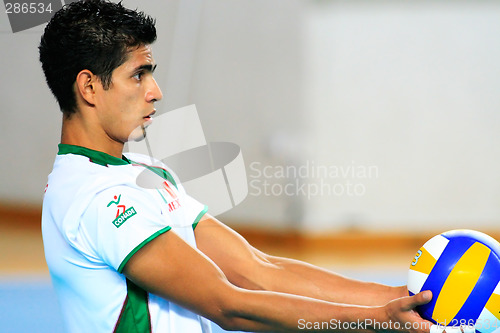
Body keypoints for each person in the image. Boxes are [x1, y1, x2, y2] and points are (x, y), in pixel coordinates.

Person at [39, 1, 433, 332]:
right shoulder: (92, 197)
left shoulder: (148, 172)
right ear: (89, 87)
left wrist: (398, 297)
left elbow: (256, 268)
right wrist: (376, 320)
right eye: (138, 75)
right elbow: (228, 304)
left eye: (151, 74)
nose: (155, 92)